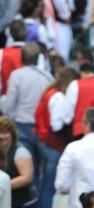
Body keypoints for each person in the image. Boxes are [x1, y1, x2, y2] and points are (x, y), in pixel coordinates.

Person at [34, 67, 78, 208]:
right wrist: (70, 119)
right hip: (52, 143)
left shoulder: (49, 92)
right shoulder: (59, 97)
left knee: (44, 183)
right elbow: (56, 124)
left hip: (43, 140)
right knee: (49, 186)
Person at [3, 42, 52, 184]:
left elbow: (9, 105)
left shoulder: (17, 75)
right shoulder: (47, 77)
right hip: (41, 128)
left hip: (22, 126)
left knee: (24, 165)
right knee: (38, 167)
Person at [0, 19, 26, 99]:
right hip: (26, 101)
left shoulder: (2, 53)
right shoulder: (36, 53)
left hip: (5, 98)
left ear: (10, 33)